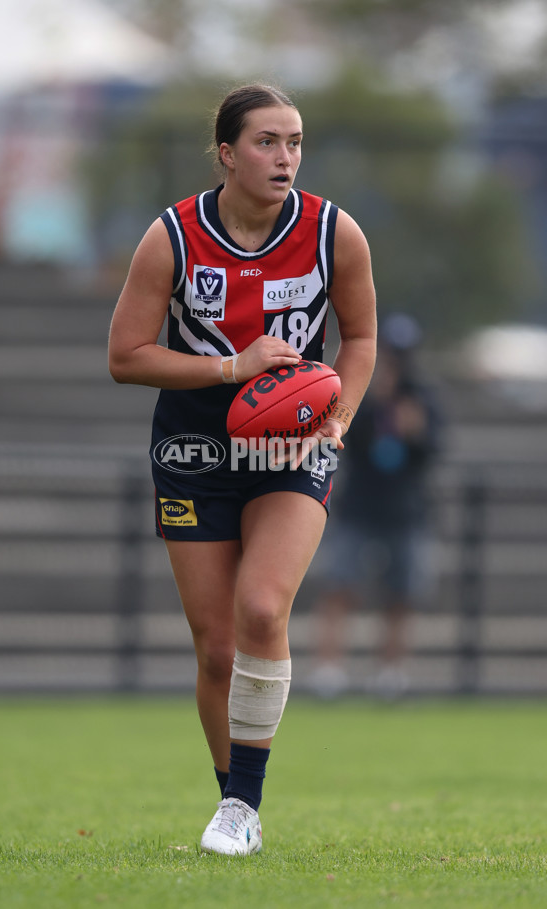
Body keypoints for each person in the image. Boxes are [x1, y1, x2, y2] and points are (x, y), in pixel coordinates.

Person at [108, 83, 377, 855]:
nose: (284, 157)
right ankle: (234, 800)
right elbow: (125, 357)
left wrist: (338, 418)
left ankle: (242, 807)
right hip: (194, 445)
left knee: (264, 609)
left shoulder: (335, 232)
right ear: (227, 153)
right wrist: (233, 367)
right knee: (219, 647)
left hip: (287, 444)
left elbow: (357, 339)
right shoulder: (174, 236)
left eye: (294, 141)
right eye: (266, 142)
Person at [309, 314, 442, 700]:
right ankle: (329, 670)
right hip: (359, 506)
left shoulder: (423, 397)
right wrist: (371, 409)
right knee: (339, 586)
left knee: (402, 595)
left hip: (406, 509)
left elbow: (433, 449)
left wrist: (413, 430)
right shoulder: (361, 393)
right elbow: (342, 438)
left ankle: (391, 671)